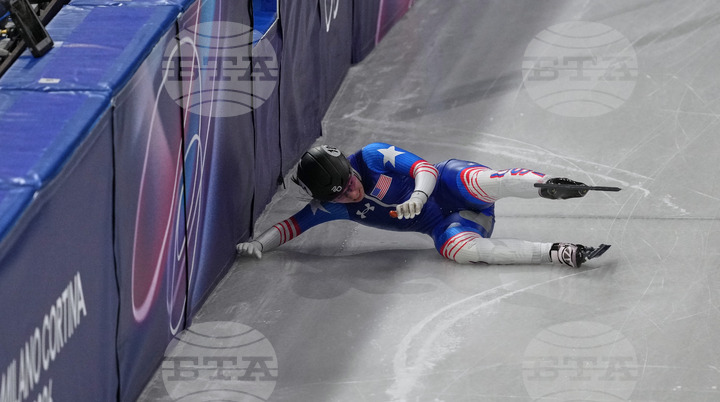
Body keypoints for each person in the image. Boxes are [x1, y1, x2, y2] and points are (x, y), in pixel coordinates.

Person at [237, 143, 612, 267]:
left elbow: (423, 168)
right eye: (339, 196)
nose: (350, 194)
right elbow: (291, 226)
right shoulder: (332, 206)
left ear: (351, 168)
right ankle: (556, 252)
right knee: (456, 251)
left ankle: (544, 185)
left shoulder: (370, 156)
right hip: (456, 222)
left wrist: (419, 195)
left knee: (475, 180)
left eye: (350, 183)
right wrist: (260, 244)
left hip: (455, 187)